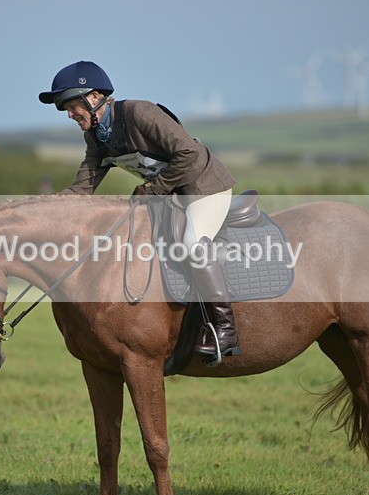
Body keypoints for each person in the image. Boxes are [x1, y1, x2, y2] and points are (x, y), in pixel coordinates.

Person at [39, 61, 241, 363]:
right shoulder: (96, 136)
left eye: (71, 107)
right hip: (171, 196)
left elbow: (190, 153)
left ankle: (226, 329)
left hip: (204, 187)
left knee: (192, 244)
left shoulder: (140, 113)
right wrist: (45, 210)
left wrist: (151, 190)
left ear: (93, 98)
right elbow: (83, 187)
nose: (69, 115)